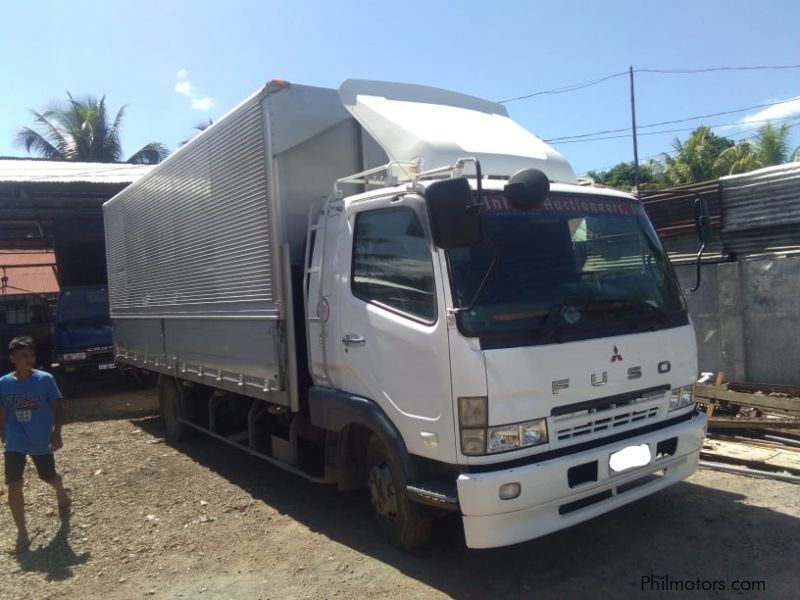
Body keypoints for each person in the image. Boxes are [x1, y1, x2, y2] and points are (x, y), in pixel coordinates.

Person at [0, 336, 71, 554]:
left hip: (40, 437)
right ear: (13, 358)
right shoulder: (4, 383)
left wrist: (56, 433)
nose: (29, 359)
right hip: (15, 438)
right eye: (24, 355)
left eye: (31, 355)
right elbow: (3, 410)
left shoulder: (44, 379)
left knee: (48, 476)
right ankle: (22, 534)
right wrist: (3, 432)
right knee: (14, 483)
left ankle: (61, 492)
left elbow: (58, 407)